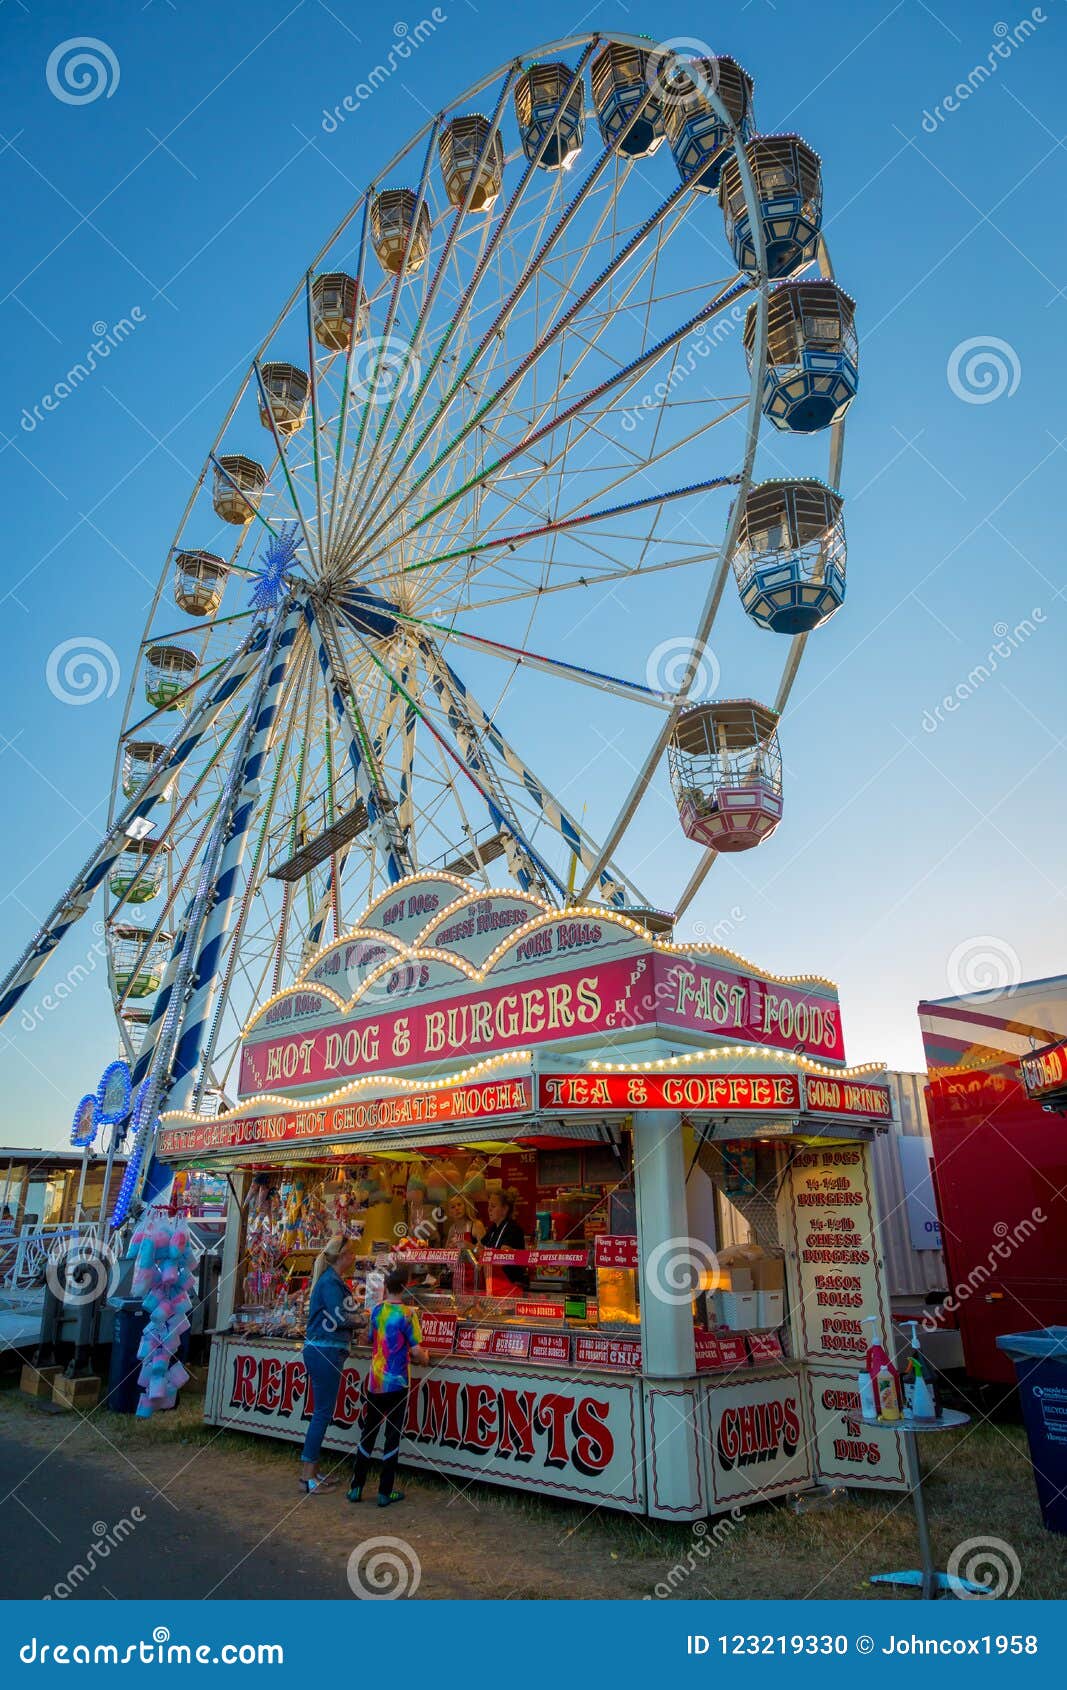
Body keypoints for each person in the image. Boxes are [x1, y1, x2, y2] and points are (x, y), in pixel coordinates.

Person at [348, 1269, 426, 1508]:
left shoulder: (378, 1311)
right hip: (398, 1383)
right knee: (392, 1437)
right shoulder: (407, 1315)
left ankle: (356, 1488)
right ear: (404, 1288)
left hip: (375, 1381)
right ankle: (385, 1492)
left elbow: (368, 1338)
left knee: (368, 1433)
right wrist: (425, 1356)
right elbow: (416, 1352)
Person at [299, 1235, 359, 1494]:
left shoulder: (330, 1281)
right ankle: (308, 1477)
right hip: (326, 1350)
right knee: (322, 1413)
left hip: (322, 1349)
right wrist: (363, 1320)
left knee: (321, 1412)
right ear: (342, 1256)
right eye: (352, 1253)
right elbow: (339, 1316)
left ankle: (313, 1472)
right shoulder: (331, 1283)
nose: (355, 1257)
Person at [472, 1188, 526, 1292]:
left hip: (509, 1287)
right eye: (488, 1206)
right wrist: (474, 1250)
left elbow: (502, 1258)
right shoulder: (493, 1229)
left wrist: (471, 1247)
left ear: (505, 1209)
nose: (489, 1209)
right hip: (493, 1285)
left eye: (493, 1206)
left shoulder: (512, 1229)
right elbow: (479, 1247)